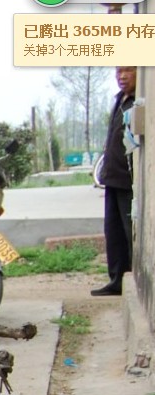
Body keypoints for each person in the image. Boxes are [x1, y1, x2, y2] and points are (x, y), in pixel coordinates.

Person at [93, 65, 136, 297]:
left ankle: (131, 277)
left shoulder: (138, 101)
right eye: (119, 72)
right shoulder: (120, 99)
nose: (122, 76)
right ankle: (116, 279)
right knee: (114, 232)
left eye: (128, 71)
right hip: (112, 177)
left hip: (128, 179)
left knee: (130, 232)